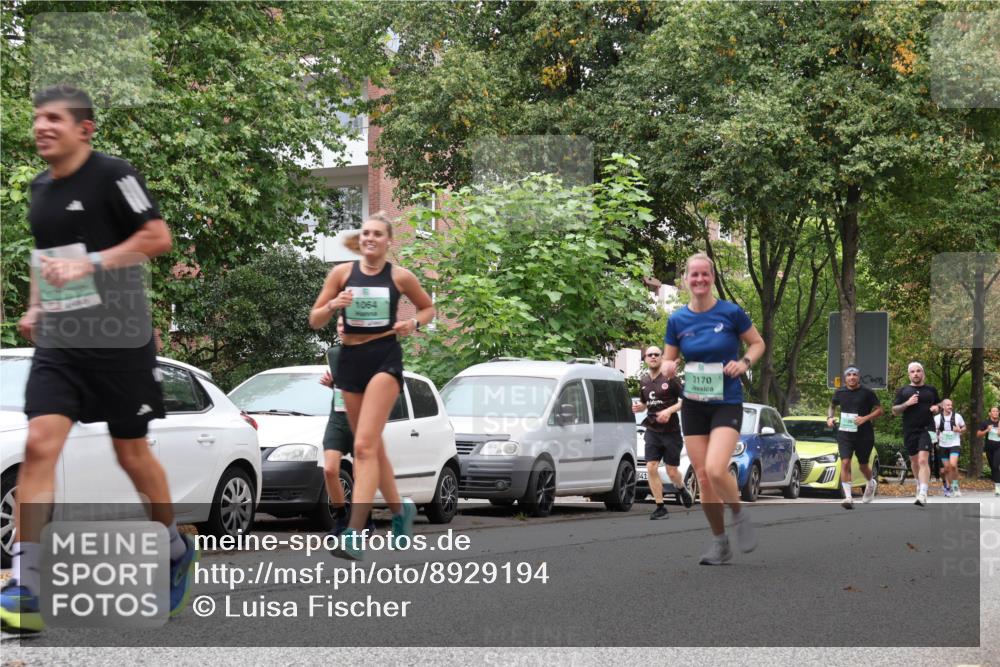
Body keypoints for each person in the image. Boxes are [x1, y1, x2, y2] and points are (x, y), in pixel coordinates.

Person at [0, 86, 197, 633]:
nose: (42, 127)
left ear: (85, 129)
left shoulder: (114, 175)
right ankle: (27, 584)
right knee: (40, 446)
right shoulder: (40, 188)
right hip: (61, 343)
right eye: (38, 118)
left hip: (120, 343)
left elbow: (158, 236)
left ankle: (174, 547)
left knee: (131, 455)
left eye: (55, 119)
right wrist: (37, 307)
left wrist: (92, 263)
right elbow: (47, 257)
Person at [309, 213, 434, 560]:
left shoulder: (400, 277)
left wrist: (412, 323)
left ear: (388, 241)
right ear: (360, 239)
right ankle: (400, 511)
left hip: (384, 360)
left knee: (363, 447)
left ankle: (353, 532)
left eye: (378, 234)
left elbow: (428, 308)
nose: (370, 238)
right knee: (374, 449)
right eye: (365, 233)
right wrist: (334, 305)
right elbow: (315, 318)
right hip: (349, 363)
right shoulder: (342, 274)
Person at [662, 252, 765, 565]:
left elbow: (757, 343)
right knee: (704, 477)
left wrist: (744, 362)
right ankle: (720, 543)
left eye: (705, 274)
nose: (699, 280)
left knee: (718, 468)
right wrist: (668, 366)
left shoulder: (730, 313)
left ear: (713, 278)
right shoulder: (677, 319)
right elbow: (668, 357)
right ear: (685, 280)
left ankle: (738, 513)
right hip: (694, 403)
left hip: (726, 401)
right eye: (694, 275)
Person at [317, 315, 375, 535]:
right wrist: (332, 385)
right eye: (339, 325)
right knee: (330, 469)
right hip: (338, 419)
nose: (342, 329)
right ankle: (341, 519)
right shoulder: (333, 354)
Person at [632, 345, 691, 520]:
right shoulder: (643, 381)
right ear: (645, 359)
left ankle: (681, 487)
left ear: (661, 358)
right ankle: (660, 506)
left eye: (656, 354)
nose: (653, 357)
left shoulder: (671, 379)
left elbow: (685, 401)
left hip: (671, 431)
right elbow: (645, 403)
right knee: (651, 467)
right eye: (649, 355)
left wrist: (668, 411)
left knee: (672, 471)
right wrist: (639, 407)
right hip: (652, 430)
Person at [827, 366, 883, 509]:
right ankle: (848, 497)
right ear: (845, 378)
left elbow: (879, 410)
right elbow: (832, 405)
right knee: (845, 462)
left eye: (854, 375)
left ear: (859, 377)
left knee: (863, 465)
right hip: (845, 433)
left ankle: (871, 482)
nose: (852, 377)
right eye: (849, 375)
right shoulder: (840, 392)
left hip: (864, 434)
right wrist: (830, 417)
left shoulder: (867, 393)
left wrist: (865, 418)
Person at [891, 362, 942, 507]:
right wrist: (907, 403)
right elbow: (894, 411)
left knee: (922, 460)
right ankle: (919, 484)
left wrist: (936, 407)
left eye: (918, 371)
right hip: (910, 430)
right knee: (914, 461)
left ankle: (923, 492)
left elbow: (940, 404)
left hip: (928, 428)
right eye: (912, 371)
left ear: (923, 373)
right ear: (909, 374)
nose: (915, 374)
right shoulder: (903, 391)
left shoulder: (931, 390)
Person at [933, 399, 966, 498]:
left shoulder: (957, 416)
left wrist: (960, 430)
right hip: (943, 446)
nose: (950, 407)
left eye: (951, 405)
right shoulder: (937, 418)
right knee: (946, 469)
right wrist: (934, 438)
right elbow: (933, 432)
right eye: (948, 405)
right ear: (943, 406)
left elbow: (964, 427)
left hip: (954, 444)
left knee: (953, 465)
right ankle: (947, 486)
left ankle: (955, 487)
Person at [976, 406, 1000, 497]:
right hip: (989, 449)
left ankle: (998, 488)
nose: (995, 413)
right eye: (993, 411)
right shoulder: (986, 422)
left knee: (995, 465)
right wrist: (987, 430)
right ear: (989, 413)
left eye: (997, 411)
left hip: (999, 447)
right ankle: (998, 483)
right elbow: (978, 434)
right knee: (993, 468)